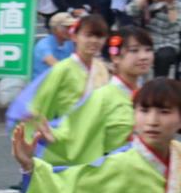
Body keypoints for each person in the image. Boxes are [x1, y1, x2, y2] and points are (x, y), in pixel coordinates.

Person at [13, 75, 180, 193]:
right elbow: (69, 190)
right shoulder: (121, 164)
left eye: (164, 112)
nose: (152, 121)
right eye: (144, 110)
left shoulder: (178, 154)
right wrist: (30, 166)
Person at [28, 28, 154, 168]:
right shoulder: (101, 98)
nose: (144, 56)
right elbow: (74, 135)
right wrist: (53, 137)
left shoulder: (150, 96)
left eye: (148, 50)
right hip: (115, 173)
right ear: (115, 57)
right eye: (134, 50)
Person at [23, 14, 110, 124]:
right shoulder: (48, 50)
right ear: (75, 36)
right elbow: (40, 110)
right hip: (63, 124)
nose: (94, 40)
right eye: (88, 35)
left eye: (99, 37)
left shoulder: (101, 67)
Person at [127, 0, 180, 79]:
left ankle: (159, 82)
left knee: (163, 56)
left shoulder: (175, 4)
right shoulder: (145, 3)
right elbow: (130, 11)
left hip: (168, 42)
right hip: (147, 41)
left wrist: (170, 4)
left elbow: (176, 26)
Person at [31, 12, 76, 83]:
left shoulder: (69, 43)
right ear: (56, 29)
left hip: (60, 83)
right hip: (42, 85)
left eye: (72, 27)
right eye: (67, 27)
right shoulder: (44, 45)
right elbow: (58, 68)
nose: (71, 31)